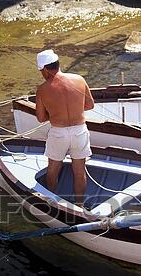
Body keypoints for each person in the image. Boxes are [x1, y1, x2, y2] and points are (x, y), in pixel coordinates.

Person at [35, 49, 94, 208]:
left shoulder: (42, 89)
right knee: (80, 172)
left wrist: (55, 113)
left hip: (59, 133)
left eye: (41, 71)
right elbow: (90, 105)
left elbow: (40, 118)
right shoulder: (79, 79)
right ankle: (80, 206)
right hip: (80, 131)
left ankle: (53, 204)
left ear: (45, 69)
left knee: (53, 171)